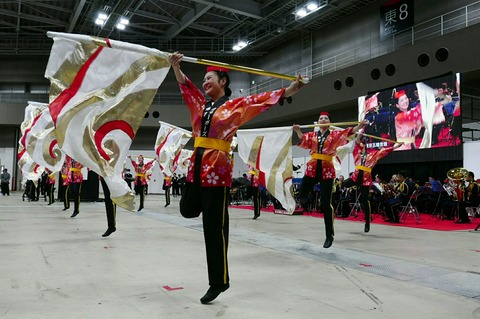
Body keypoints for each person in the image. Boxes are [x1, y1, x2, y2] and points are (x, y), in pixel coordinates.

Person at [169, 51, 305, 304]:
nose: (205, 82)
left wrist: (291, 89)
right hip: (195, 167)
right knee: (187, 210)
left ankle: (218, 282)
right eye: (204, 79)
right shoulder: (200, 103)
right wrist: (175, 66)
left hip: (217, 169)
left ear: (223, 81)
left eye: (210, 78)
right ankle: (220, 221)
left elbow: (262, 100)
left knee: (213, 228)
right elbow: (186, 87)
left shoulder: (236, 106)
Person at [293, 112, 368, 249]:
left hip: (327, 168)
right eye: (321, 118)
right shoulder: (312, 135)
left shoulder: (334, 135)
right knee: (302, 189)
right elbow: (304, 140)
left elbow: (349, 132)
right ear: (318, 121)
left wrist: (360, 126)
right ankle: (303, 200)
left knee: (326, 205)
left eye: (326, 118)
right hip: (313, 165)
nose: (323, 119)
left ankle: (329, 235)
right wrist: (298, 131)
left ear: (329, 122)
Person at [342, 132, 403, 232]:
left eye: (362, 143)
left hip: (365, 178)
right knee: (343, 184)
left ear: (365, 146)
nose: (360, 144)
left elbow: (385, 151)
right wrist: (359, 135)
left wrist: (396, 146)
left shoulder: (373, 155)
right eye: (360, 143)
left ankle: (367, 222)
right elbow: (357, 142)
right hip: (355, 177)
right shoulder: (356, 153)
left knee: (364, 201)